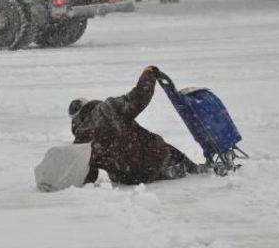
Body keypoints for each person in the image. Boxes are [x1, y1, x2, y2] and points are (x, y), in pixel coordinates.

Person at [68, 66, 205, 185]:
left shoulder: (81, 142)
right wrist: (149, 74)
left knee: (135, 164)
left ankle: (162, 172)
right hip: (153, 157)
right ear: (90, 104)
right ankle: (191, 168)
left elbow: (89, 175)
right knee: (161, 149)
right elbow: (139, 97)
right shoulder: (108, 108)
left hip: (127, 178)